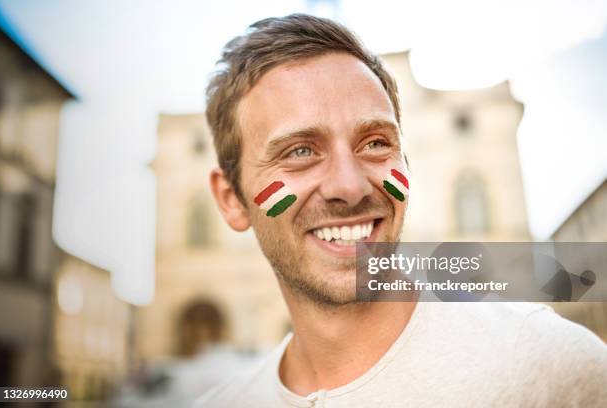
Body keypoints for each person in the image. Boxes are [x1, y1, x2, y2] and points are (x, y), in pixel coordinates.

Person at [197, 14, 607, 407]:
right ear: (232, 199)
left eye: (375, 143)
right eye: (300, 151)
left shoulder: (548, 365)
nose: (350, 186)